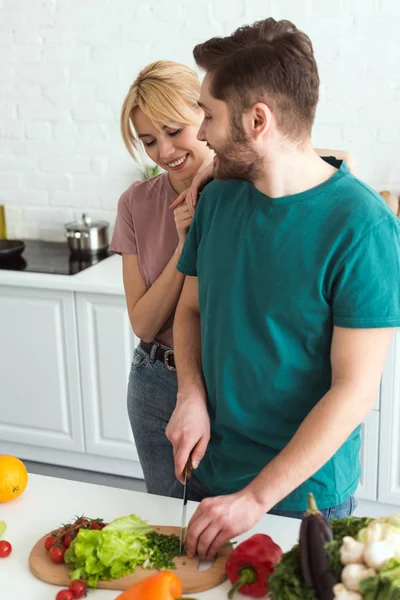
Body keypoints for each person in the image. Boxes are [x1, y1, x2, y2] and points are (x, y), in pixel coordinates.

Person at [166, 17, 400, 560]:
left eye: (208, 113)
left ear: (257, 119)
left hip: (303, 498)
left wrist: (254, 498)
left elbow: (354, 392)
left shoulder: (362, 229)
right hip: (212, 474)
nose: (200, 132)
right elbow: (191, 310)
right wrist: (190, 392)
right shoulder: (219, 201)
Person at [110, 59, 355, 497]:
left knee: (230, 522)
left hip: (227, 381)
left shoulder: (246, 185)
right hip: (157, 382)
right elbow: (145, 324)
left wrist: (215, 168)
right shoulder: (136, 203)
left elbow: (335, 161)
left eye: (174, 130)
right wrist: (187, 244)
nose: (164, 151)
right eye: (148, 141)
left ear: (204, 120)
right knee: (170, 526)